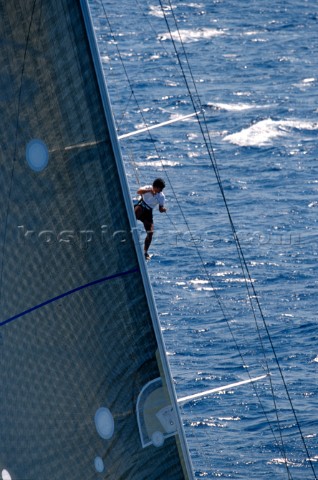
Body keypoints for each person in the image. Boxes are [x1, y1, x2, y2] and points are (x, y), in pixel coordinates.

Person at [134, 178, 167, 260]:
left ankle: (145, 252)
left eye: (162, 189)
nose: (161, 190)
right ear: (155, 187)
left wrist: (163, 210)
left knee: (150, 233)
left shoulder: (161, 196)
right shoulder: (148, 188)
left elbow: (160, 208)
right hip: (141, 205)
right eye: (160, 188)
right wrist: (148, 191)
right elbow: (138, 191)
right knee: (138, 211)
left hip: (148, 212)